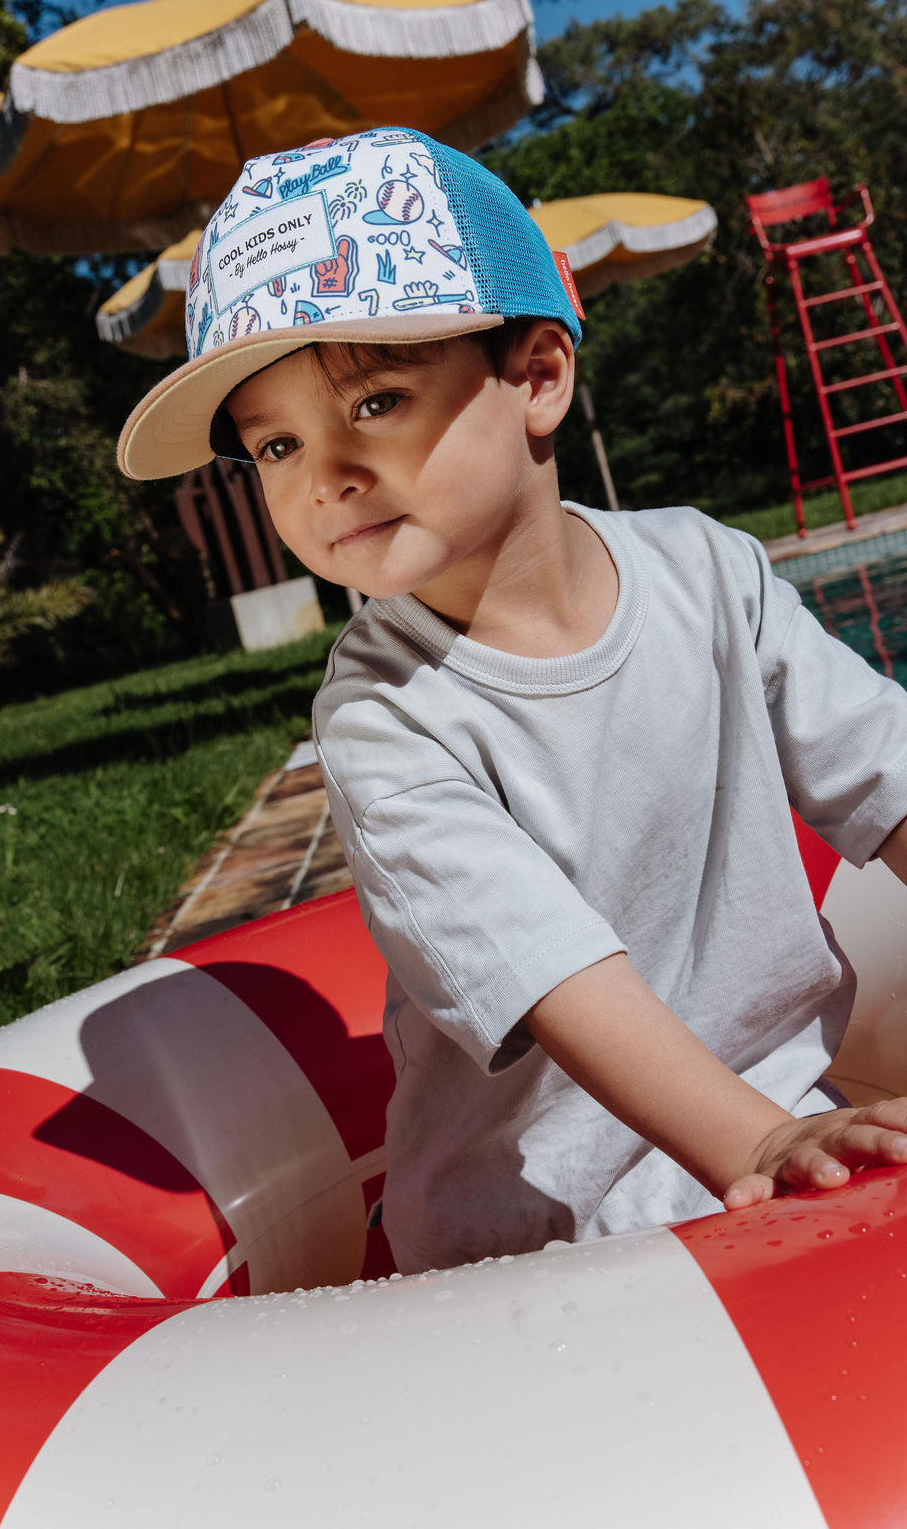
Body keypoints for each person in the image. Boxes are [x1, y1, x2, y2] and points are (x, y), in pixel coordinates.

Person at [119, 126, 907, 1275]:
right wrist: (761, 1139)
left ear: (536, 376)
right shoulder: (383, 714)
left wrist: (787, 1126)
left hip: (793, 1116)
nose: (322, 474)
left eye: (374, 402)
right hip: (539, 1247)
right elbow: (553, 973)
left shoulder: (708, 573)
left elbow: (886, 779)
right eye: (275, 443)